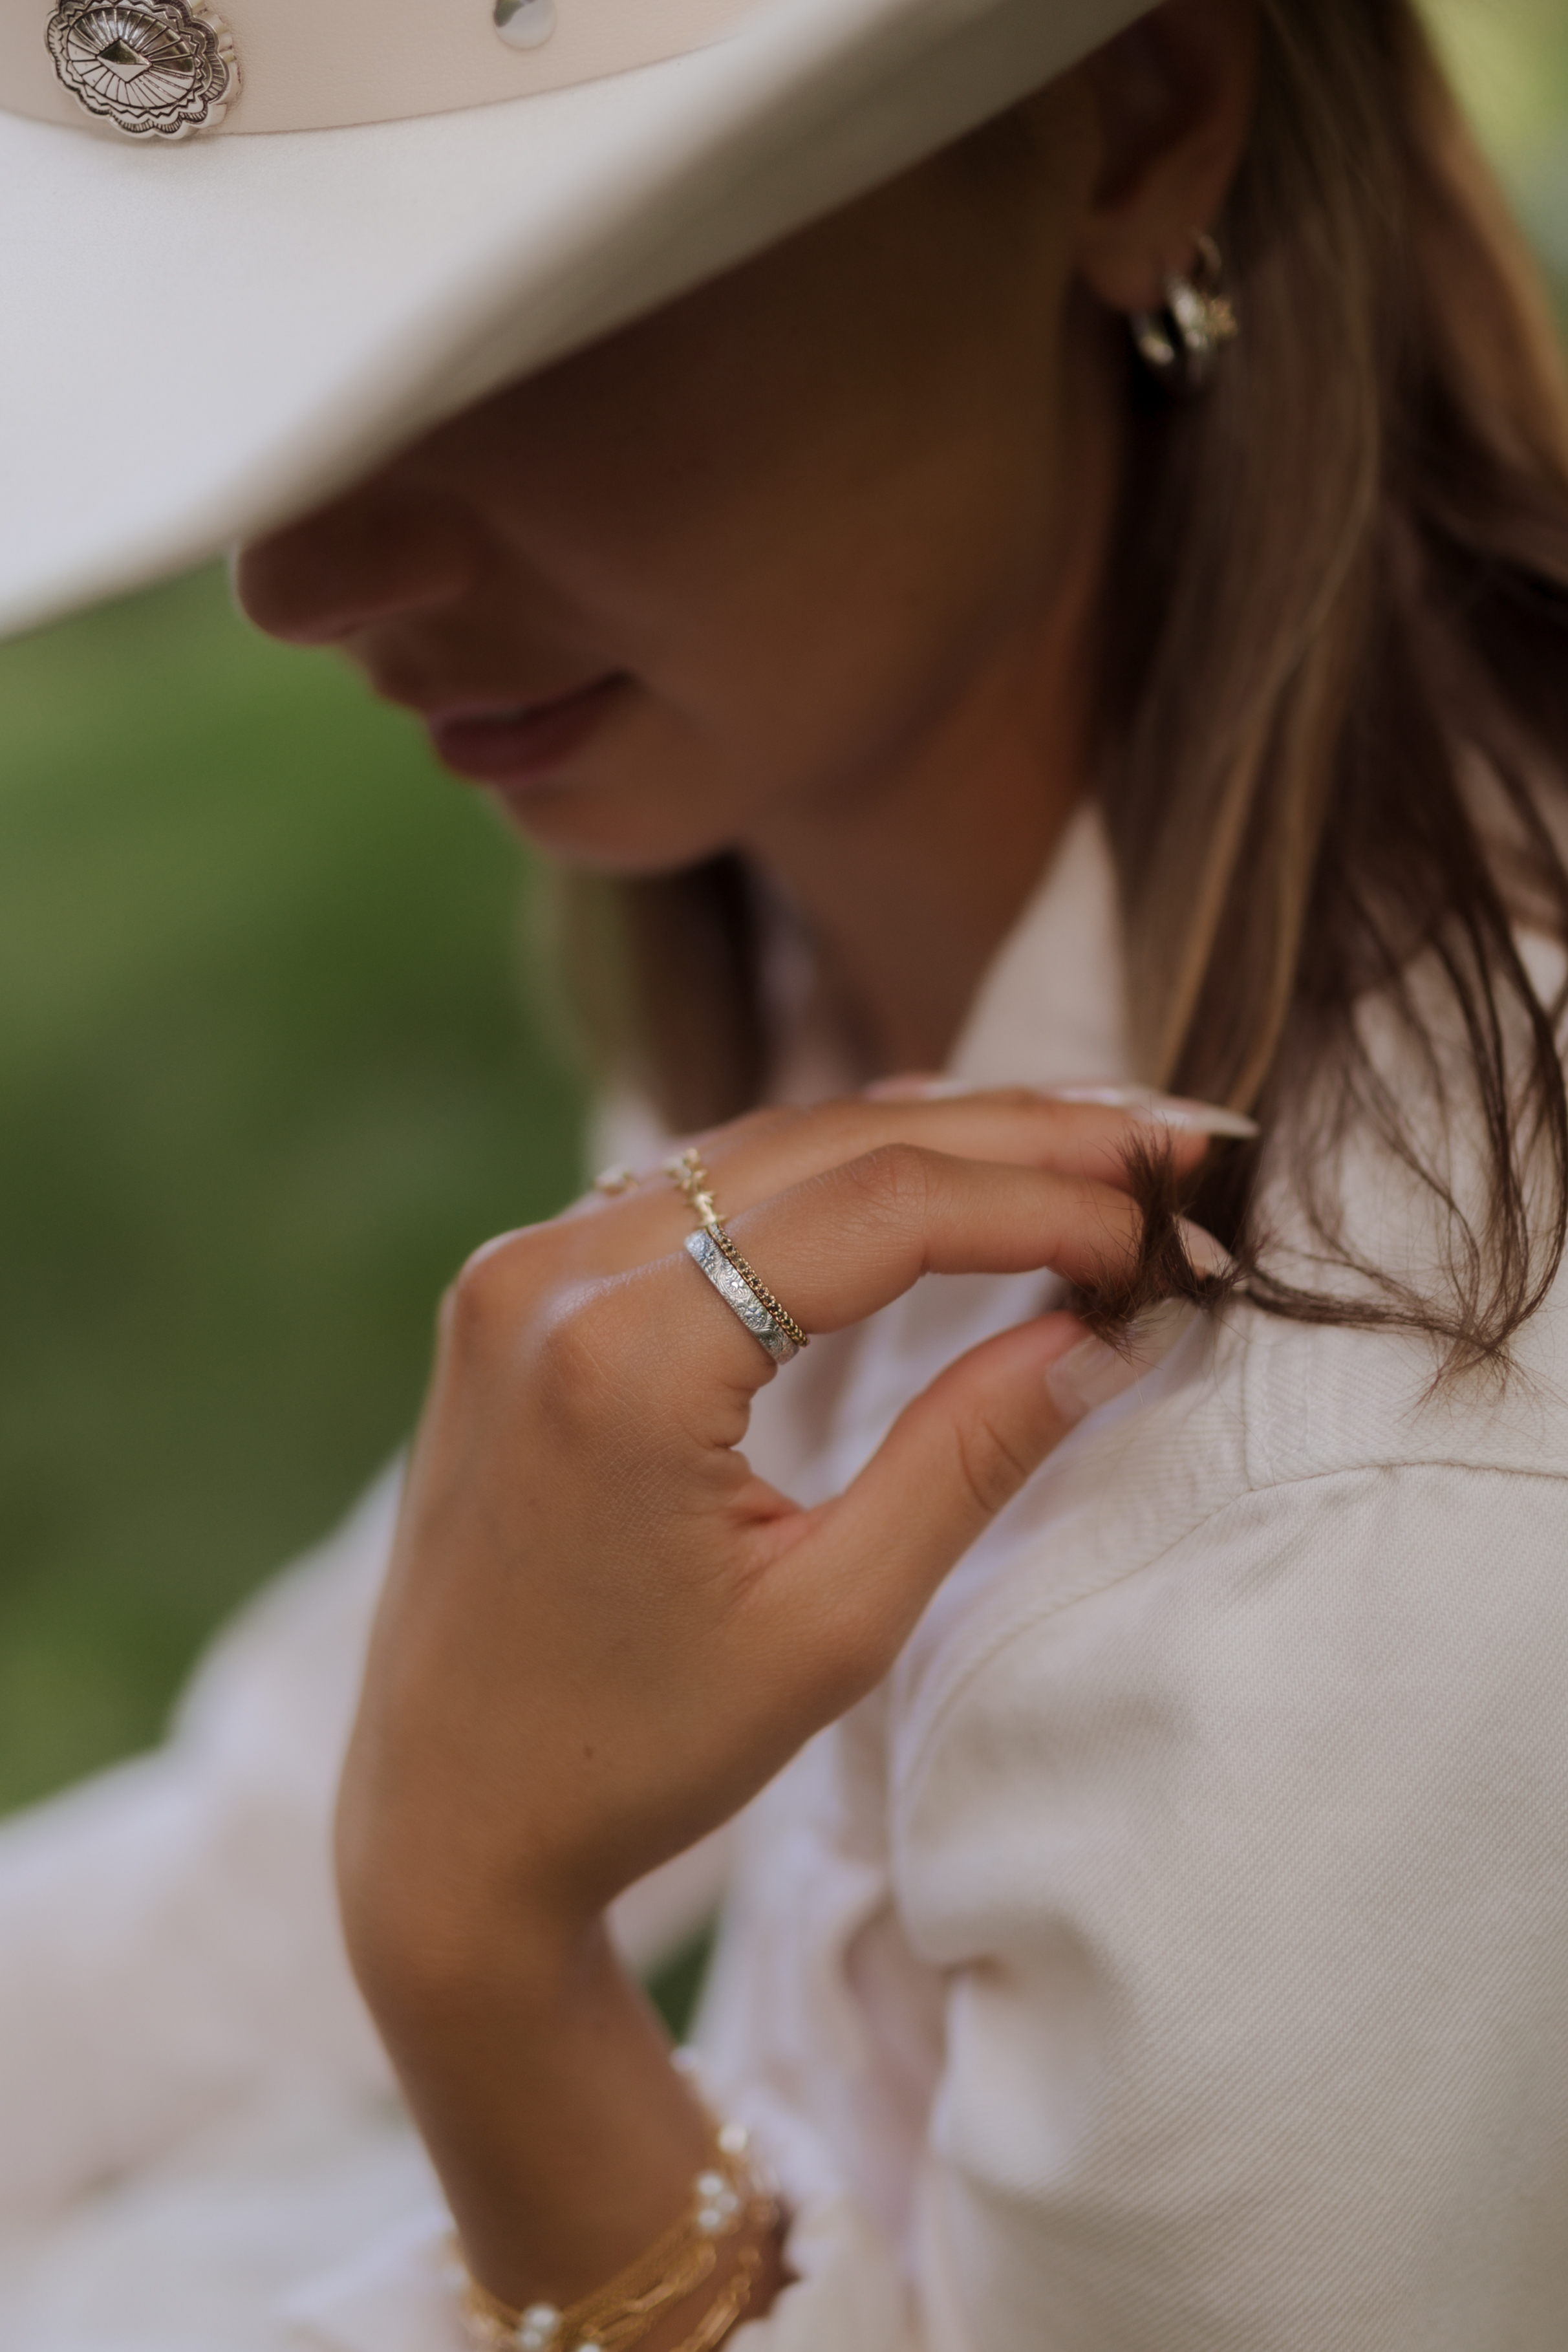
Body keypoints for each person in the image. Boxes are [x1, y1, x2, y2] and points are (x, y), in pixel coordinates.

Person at [2, 0, 1568, 2345]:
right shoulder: (875, 927)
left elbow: (413, 1828)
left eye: (521, 322)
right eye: (303, 367)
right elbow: (291, 1820)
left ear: (1131, 121)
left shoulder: (1355, 1495)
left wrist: (483, 1953)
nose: (301, 575)